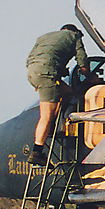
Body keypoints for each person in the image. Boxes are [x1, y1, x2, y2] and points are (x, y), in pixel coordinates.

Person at [25, 24, 88, 165]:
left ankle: (56, 119)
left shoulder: (44, 37)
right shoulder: (74, 36)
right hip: (48, 74)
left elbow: (34, 58)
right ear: (74, 31)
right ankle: (37, 152)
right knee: (46, 115)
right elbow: (83, 62)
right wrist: (88, 76)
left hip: (32, 72)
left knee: (67, 92)